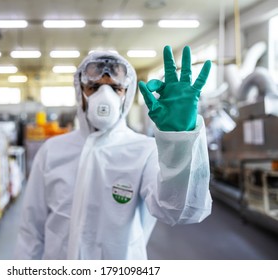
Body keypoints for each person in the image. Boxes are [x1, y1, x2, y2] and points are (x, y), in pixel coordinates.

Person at [16, 45, 213, 260]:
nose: (104, 95)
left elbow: (179, 210)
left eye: (115, 88)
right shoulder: (52, 151)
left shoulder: (144, 151)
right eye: (94, 86)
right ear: (79, 91)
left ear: (126, 95)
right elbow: (31, 228)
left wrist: (179, 139)